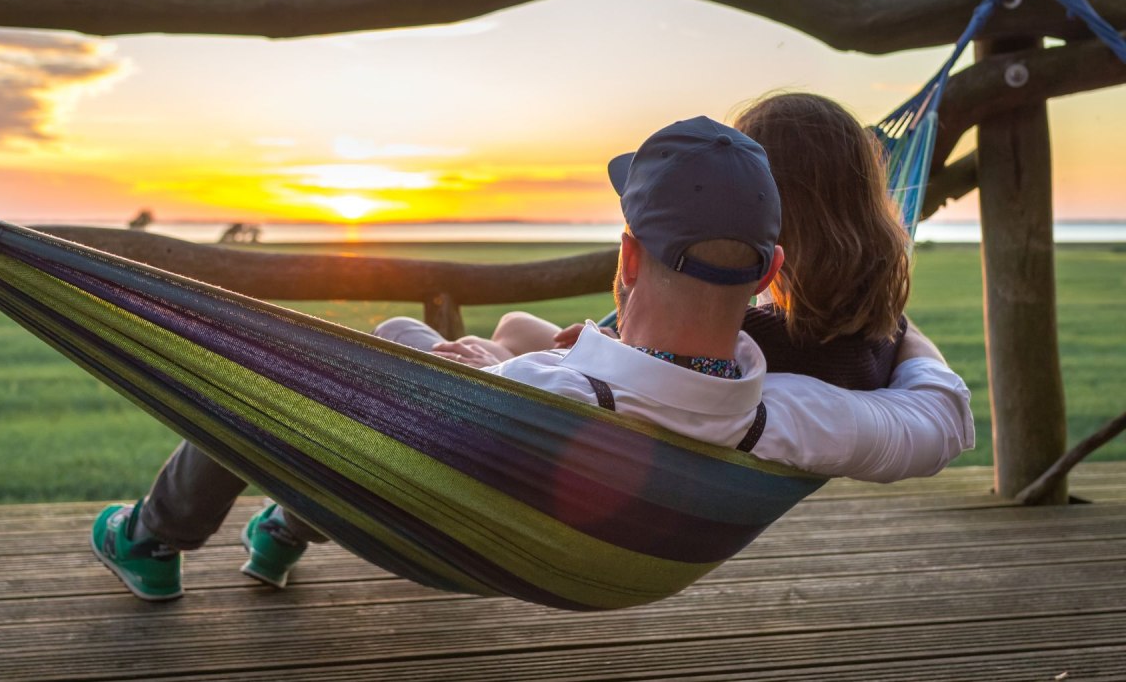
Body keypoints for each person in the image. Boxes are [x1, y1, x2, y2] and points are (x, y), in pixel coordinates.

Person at [91, 115, 974, 602]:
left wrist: (476, 363)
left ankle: (155, 534)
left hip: (453, 485)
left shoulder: (540, 388)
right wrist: (892, 321)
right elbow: (942, 416)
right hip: (593, 521)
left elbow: (481, 400)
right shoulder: (796, 414)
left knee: (290, 378)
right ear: (768, 270)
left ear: (629, 258)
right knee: (428, 352)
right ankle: (283, 527)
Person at [447, 93, 912, 392]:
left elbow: (656, 375)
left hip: (614, 408)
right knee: (518, 326)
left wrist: (503, 366)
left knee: (502, 335)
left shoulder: (750, 339)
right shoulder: (876, 331)